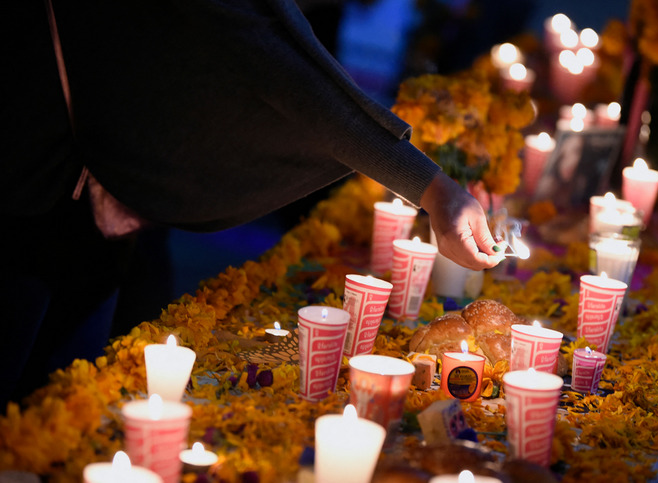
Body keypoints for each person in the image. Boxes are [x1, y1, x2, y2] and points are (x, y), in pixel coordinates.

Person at [1, 0, 503, 407]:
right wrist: (435, 190)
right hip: (28, 179)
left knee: (62, 393)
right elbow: (292, 75)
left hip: (95, 191)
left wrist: (435, 189)